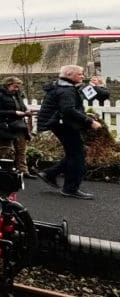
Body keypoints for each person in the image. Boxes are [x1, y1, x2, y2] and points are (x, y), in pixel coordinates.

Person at [36, 65, 103, 199]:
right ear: (69, 74)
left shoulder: (62, 87)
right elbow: (68, 110)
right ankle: (70, 188)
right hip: (64, 125)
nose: (83, 76)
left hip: (60, 124)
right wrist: (90, 122)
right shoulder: (66, 90)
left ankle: (50, 174)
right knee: (77, 156)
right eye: (80, 74)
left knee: (77, 153)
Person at [0, 76, 31, 174]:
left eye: (18, 87)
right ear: (8, 85)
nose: (17, 89)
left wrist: (25, 111)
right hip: (5, 124)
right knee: (5, 148)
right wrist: (14, 113)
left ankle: (23, 170)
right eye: (15, 86)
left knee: (21, 148)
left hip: (19, 125)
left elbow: (22, 106)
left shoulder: (18, 95)